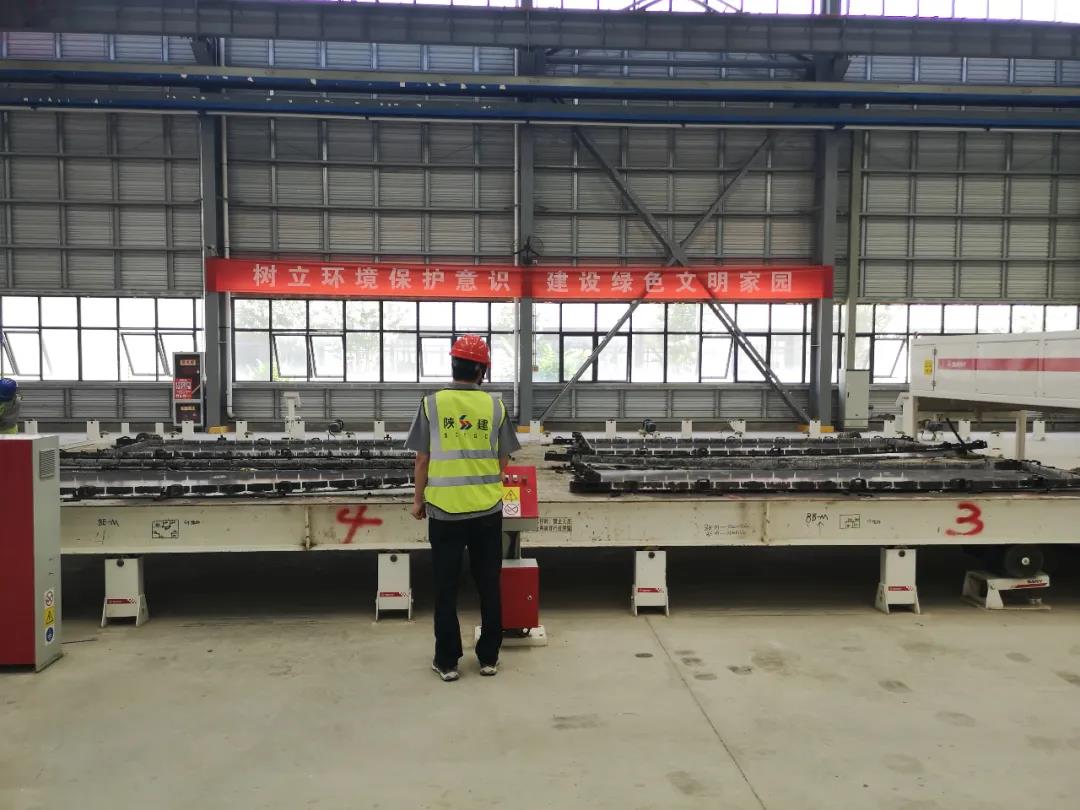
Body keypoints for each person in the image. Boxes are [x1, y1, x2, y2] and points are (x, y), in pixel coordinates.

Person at [405, 334, 521, 682]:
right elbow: (503, 459)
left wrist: (418, 500)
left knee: (445, 587)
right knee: (489, 585)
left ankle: (447, 662)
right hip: (487, 511)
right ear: (482, 370)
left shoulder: (432, 405)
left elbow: (422, 459)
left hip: (444, 512)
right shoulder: (495, 407)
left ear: (453, 365)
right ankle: (488, 658)